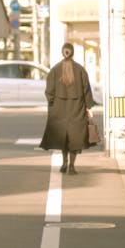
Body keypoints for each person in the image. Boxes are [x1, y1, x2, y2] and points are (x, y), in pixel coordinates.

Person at [39, 42, 95, 174]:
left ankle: (64, 163)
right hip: (77, 108)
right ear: (73, 52)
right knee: (75, 138)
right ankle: (72, 166)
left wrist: (52, 103)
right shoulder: (80, 70)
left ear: (62, 52)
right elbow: (86, 90)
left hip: (59, 108)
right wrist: (89, 107)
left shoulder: (54, 70)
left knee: (63, 137)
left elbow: (49, 91)